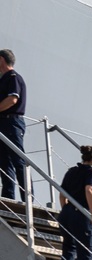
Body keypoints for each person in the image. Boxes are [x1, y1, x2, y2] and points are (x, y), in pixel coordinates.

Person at [0, 49, 26, 202]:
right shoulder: (3, 79)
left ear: (1, 59)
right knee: (4, 162)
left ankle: (27, 198)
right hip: (3, 123)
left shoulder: (13, 77)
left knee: (18, 161)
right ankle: (8, 198)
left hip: (12, 122)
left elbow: (12, 99)